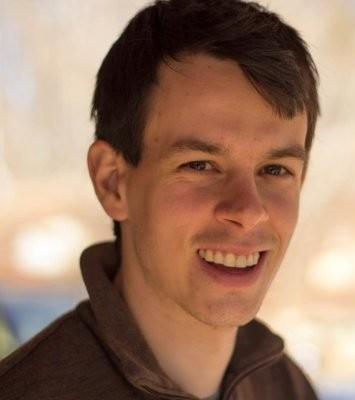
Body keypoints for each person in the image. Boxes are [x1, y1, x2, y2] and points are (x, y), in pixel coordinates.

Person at [0, 0, 320, 398]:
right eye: (201, 165)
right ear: (113, 182)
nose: (249, 211)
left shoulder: (287, 387)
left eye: (275, 170)